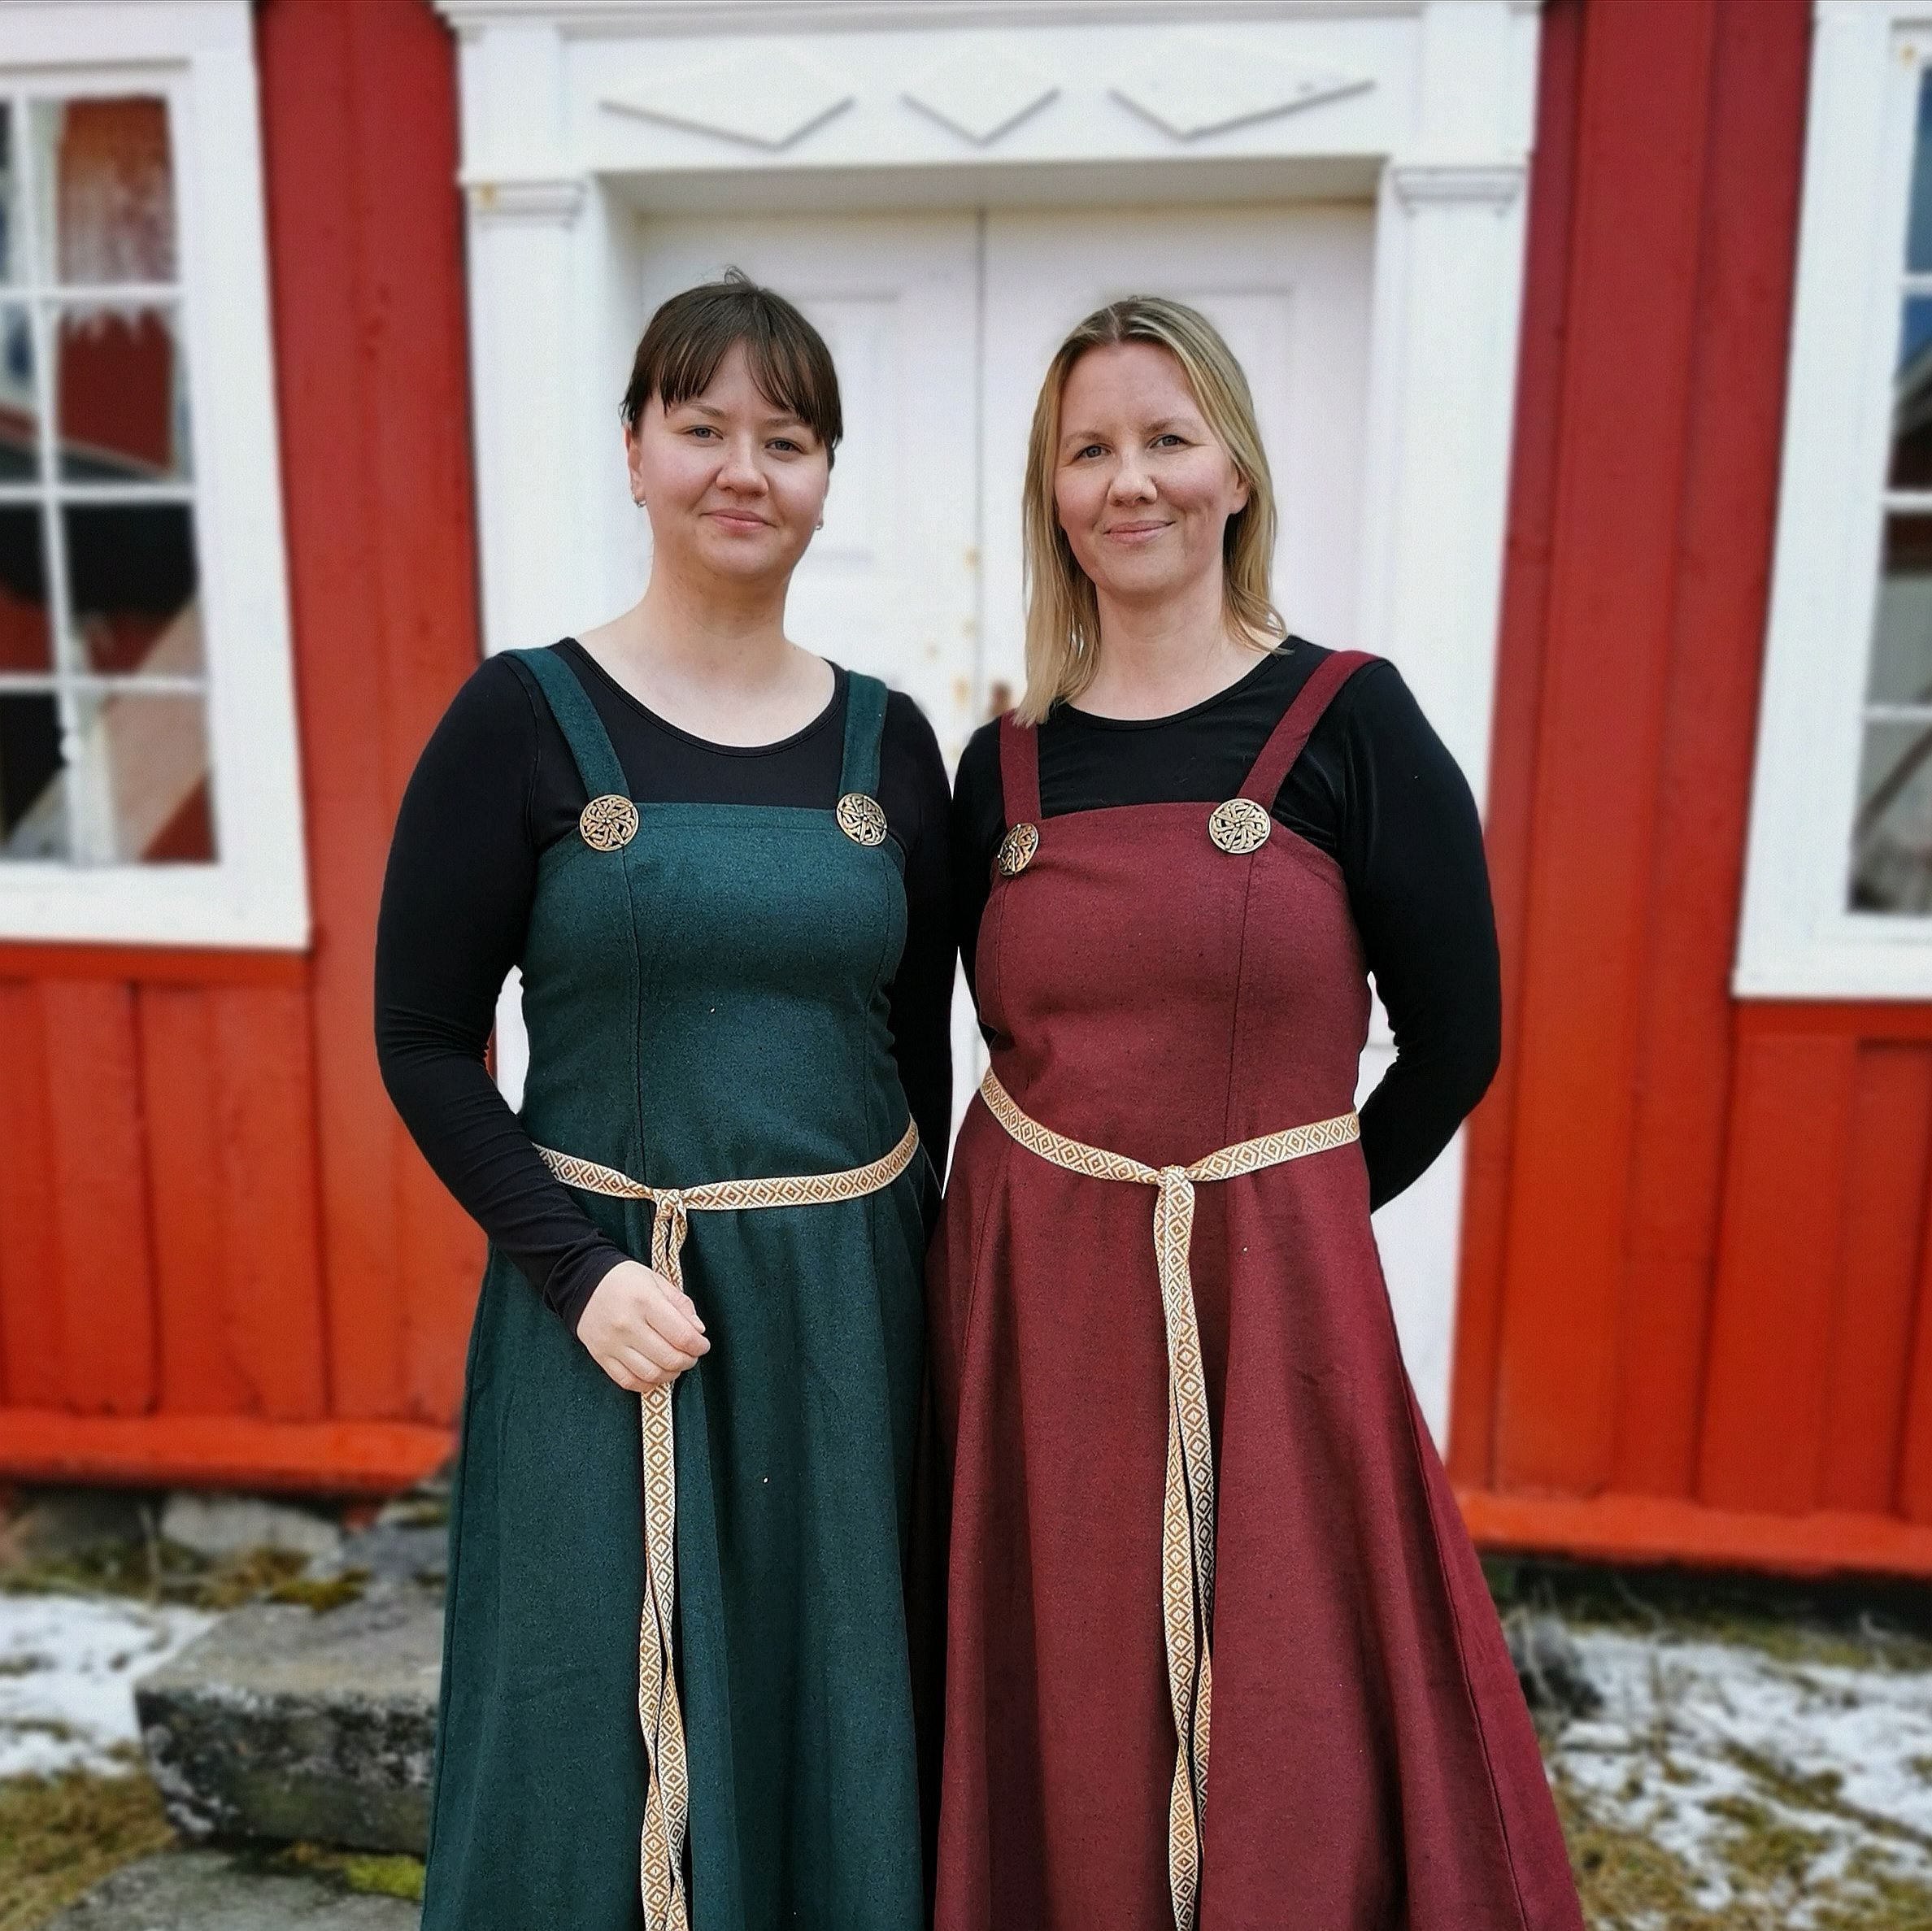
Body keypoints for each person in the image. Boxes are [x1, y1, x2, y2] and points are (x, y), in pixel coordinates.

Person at [928, 297, 1582, 1930]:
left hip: (1275, 1305)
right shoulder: (997, 765)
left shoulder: (1350, 719)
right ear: (1051, 494)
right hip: (1033, 1326)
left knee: (1294, 1678)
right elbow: (927, 1042)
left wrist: (1291, 1224)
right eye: (1089, 449)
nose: (1127, 480)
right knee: (1060, 1668)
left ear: (1234, 471)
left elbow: (1458, 1038)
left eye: (1166, 437)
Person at [376, 272, 951, 1931]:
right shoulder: (522, 721)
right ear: (633, 450)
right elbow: (421, 1033)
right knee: (589, 1723)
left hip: (849, 1323)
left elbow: (914, 1057)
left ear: (827, 476)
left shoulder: (888, 748)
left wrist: (921, 1302)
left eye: (785, 437)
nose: (742, 469)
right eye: (701, 427)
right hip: (612, 1310)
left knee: (835, 1695)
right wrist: (576, 1268)